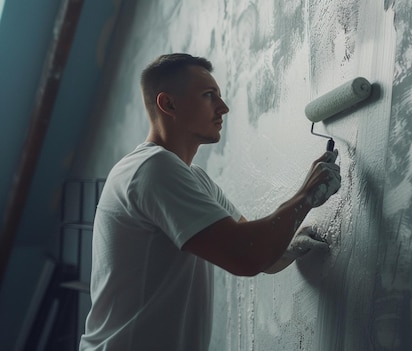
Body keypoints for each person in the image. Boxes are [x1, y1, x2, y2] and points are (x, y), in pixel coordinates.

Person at [79, 53, 341, 350]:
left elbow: (259, 252)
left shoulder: (191, 177)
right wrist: (306, 196)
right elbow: (247, 256)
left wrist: (290, 247)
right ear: (168, 104)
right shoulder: (153, 168)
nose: (224, 107)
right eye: (208, 95)